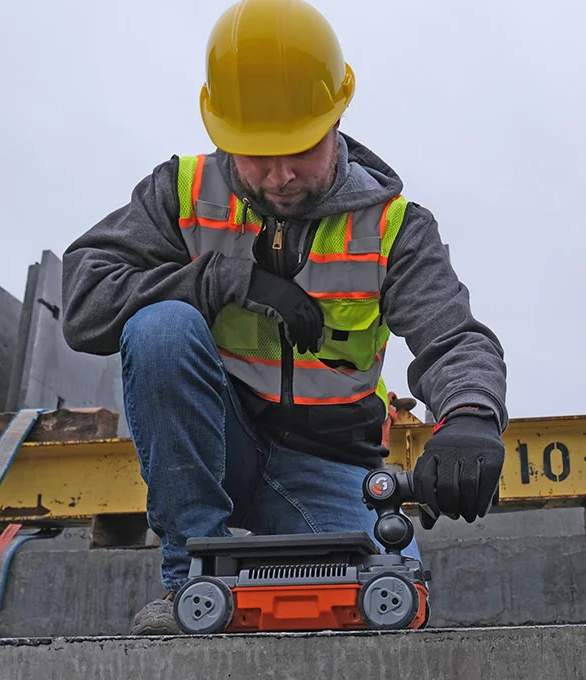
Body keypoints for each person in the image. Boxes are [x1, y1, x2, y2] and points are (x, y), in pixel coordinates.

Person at [61, 0, 507, 635]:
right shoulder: (180, 192)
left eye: (299, 148)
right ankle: (193, 579)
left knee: (390, 604)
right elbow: (84, 302)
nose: (280, 176)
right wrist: (222, 279)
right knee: (160, 329)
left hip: (332, 466)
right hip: (220, 448)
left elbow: (453, 336)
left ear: (336, 118)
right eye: (255, 154)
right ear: (222, 135)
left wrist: (469, 417)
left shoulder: (395, 227)